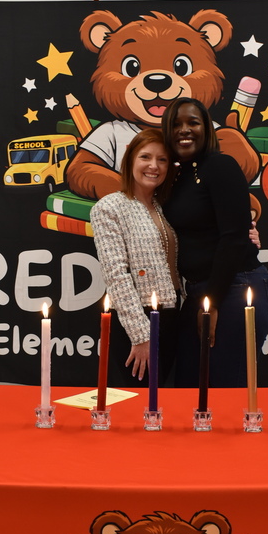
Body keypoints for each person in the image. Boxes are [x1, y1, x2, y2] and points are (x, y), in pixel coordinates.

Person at [161, 97, 268, 388]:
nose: (184, 130)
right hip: (201, 293)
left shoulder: (221, 165)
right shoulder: (179, 175)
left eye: (192, 122)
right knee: (189, 393)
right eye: (175, 124)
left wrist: (210, 305)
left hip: (235, 290)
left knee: (225, 395)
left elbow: (233, 238)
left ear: (207, 128)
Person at [90, 129, 181, 387]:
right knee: (142, 403)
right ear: (130, 160)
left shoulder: (165, 207)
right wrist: (141, 335)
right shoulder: (109, 207)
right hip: (137, 320)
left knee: (165, 399)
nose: (154, 166)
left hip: (173, 317)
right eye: (145, 157)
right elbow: (116, 276)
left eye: (162, 160)